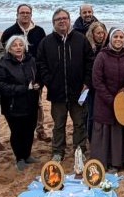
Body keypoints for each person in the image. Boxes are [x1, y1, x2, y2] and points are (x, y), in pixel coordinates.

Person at [36, 8, 93, 162]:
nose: (62, 21)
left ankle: (79, 151)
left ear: (69, 21)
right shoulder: (46, 42)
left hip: (78, 92)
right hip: (57, 93)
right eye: (58, 19)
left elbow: (89, 61)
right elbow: (41, 64)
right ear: (53, 23)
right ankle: (58, 151)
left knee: (79, 123)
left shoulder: (80, 39)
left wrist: (87, 82)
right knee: (59, 124)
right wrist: (49, 81)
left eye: (65, 18)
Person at [90, 28, 124, 172]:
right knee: (107, 130)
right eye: (115, 37)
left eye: (121, 37)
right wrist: (111, 100)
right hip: (105, 101)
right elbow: (97, 81)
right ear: (110, 39)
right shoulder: (102, 56)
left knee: (123, 129)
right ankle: (108, 162)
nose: (118, 39)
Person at [1, 4, 49, 142]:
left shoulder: (39, 31)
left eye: (28, 12)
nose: (25, 15)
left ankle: (40, 130)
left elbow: (44, 56)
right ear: (17, 14)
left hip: (35, 76)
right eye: (22, 12)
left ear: (31, 14)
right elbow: (3, 56)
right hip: (15, 77)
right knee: (17, 105)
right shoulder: (9, 32)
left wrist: (41, 79)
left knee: (38, 104)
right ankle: (19, 131)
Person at [0, 35, 41, 171]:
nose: (18, 47)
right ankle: (19, 157)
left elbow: (37, 76)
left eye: (21, 45)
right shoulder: (3, 64)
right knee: (17, 132)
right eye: (15, 45)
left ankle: (27, 155)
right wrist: (23, 88)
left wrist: (38, 83)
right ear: (9, 48)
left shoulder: (31, 60)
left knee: (30, 130)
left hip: (31, 103)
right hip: (13, 105)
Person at [85, 20, 107, 141]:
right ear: (92, 34)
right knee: (91, 114)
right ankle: (91, 139)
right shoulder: (87, 48)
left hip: (103, 86)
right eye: (98, 33)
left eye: (102, 33)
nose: (100, 35)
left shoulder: (106, 47)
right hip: (91, 87)